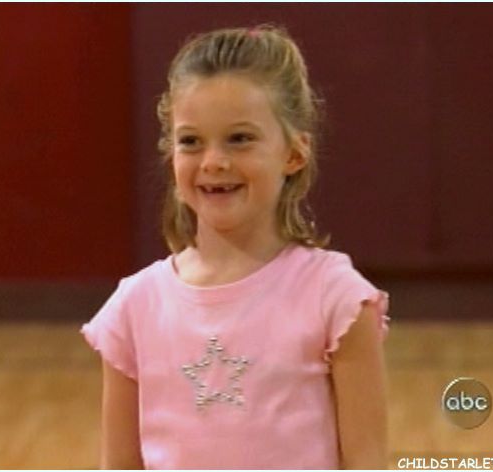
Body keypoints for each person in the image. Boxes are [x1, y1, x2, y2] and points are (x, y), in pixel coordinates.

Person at [81, 25, 390, 470]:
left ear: (294, 153)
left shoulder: (336, 298)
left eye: (240, 138)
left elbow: (367, 461)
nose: (214, 161)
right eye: (191, 141)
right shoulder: (134, 306)